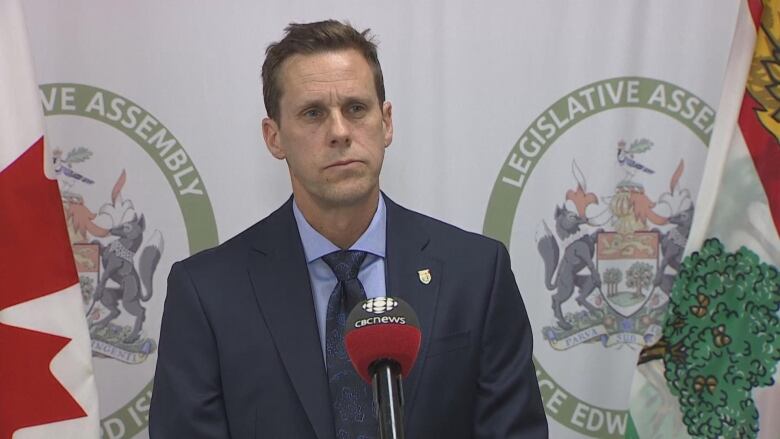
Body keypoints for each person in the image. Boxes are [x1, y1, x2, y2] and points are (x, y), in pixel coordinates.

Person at [149, 20, 547, 439]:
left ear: (386, 122)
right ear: (274, 137)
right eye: (313, 113)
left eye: (356, 109)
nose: (339, 132)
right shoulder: (208, 293)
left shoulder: (477, 274)